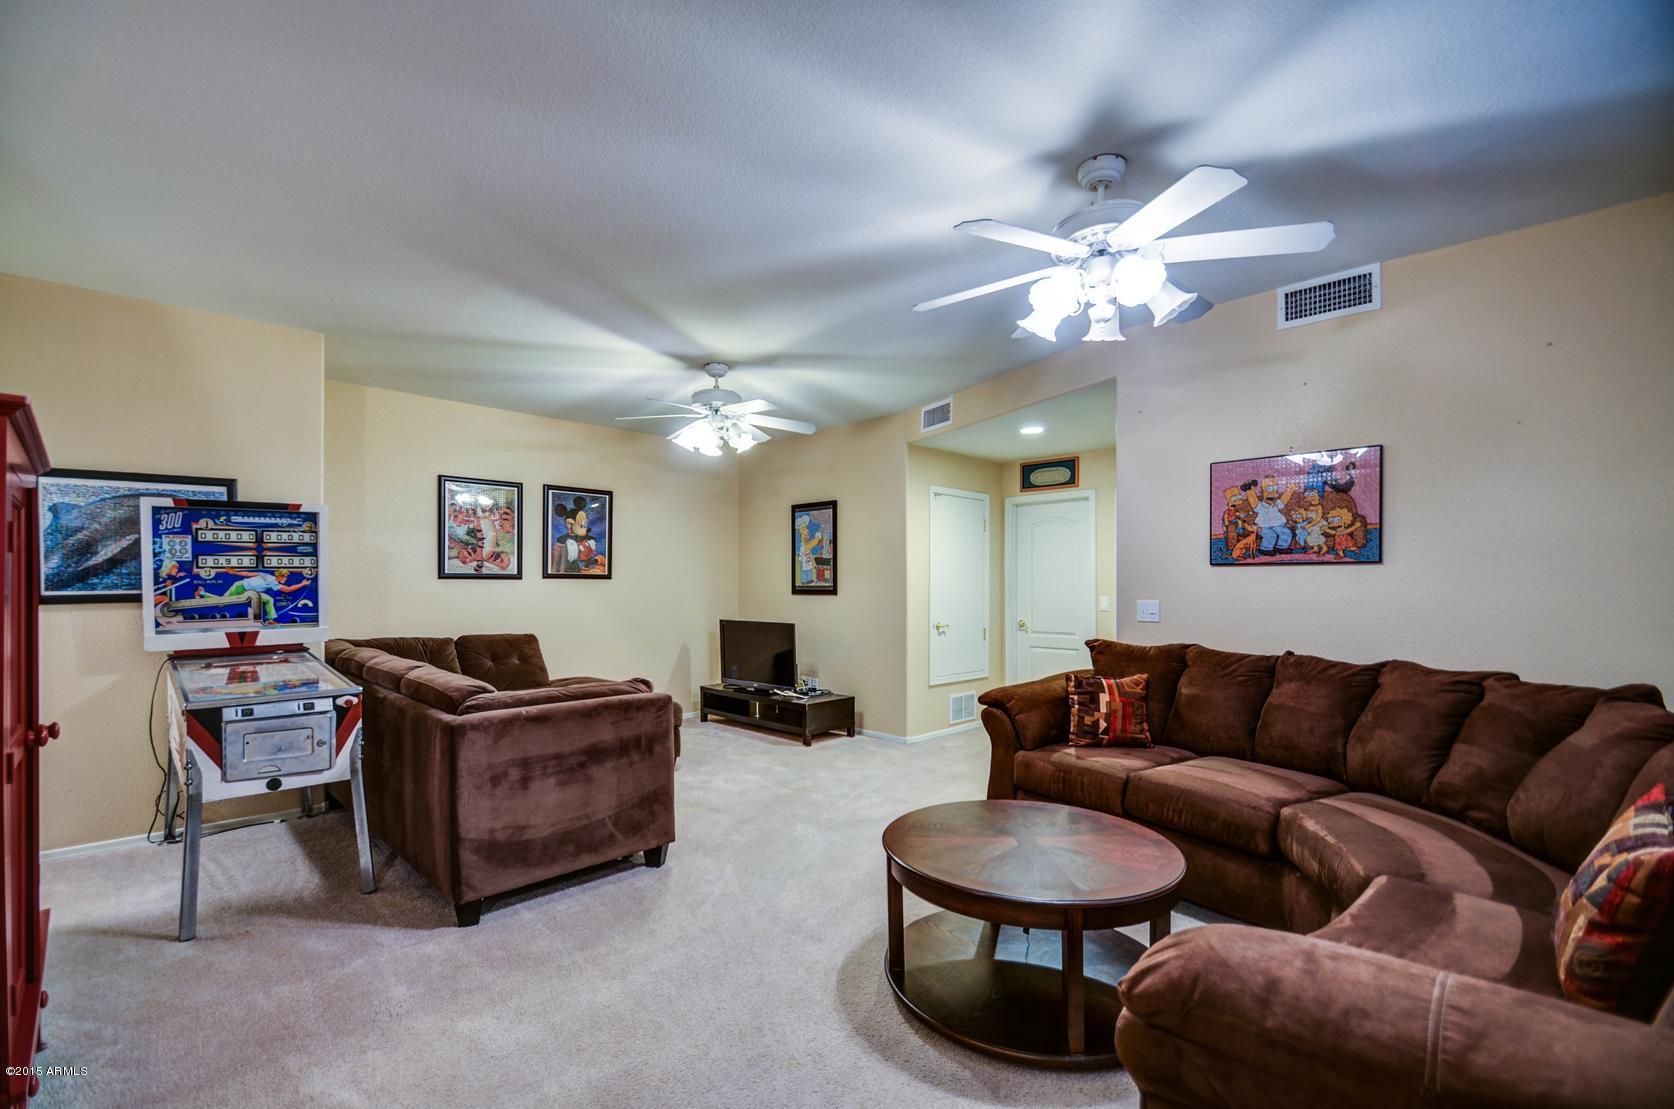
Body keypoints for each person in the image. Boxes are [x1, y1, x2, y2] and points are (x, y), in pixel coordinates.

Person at [199, 568, 309, 622]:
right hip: (240, 587)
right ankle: (203, 593)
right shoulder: (272, 581)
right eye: (284, 577)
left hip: (252, 592)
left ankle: (270, 620)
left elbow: (248, 573)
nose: (286, 579)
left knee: (269, 599)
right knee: (222, 603)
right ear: (279, 576)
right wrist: (302, 584)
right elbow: (288, 590)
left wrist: (234, 572)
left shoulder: (267, 576)